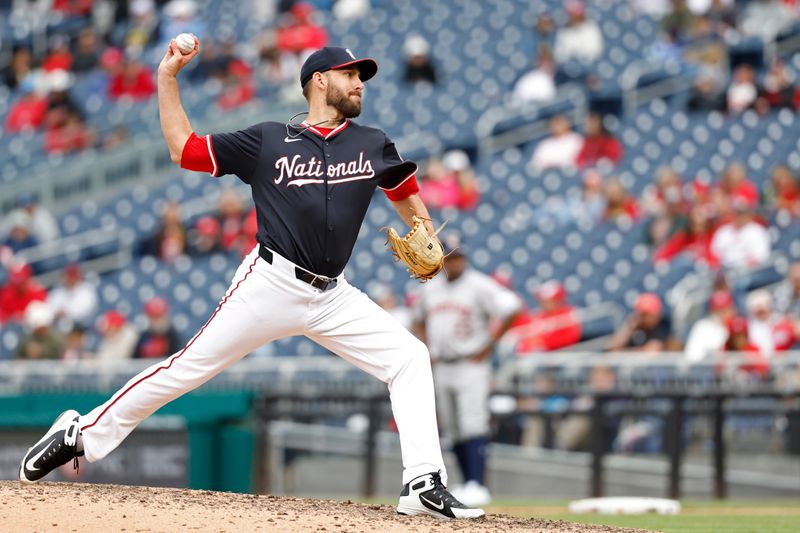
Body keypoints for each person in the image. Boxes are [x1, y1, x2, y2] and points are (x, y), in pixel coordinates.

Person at [19, 43, 485, 520]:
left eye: (361, 76)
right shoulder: (267, 140)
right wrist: (167, 78)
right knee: (185, 370)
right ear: (319, 80)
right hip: (270, 284)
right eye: (350, 74)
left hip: (333, 295)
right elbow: (185, 149)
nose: (360, 83)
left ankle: (423, 480)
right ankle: (81, 434)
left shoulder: (371, 142)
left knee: (408, 356)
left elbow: (402, 187)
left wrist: (423, 227)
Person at [413, 236, 523, 507]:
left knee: (473, 422)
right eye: (449, 257)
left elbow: (513, 308)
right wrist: (427, 348)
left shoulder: (479, 284)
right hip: (442, 364)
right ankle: (466, 482)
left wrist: (490, 346)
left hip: (470, 363)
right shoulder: (431, 288)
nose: (454, 261)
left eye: (458, 256)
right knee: (453, 427)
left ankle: (478, 483)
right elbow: (418, 319)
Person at [514, 281, 582, 353]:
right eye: (542, 300)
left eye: (548, 300)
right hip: (537, 355)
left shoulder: (567, 314)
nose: (544, 303)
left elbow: (570, 339)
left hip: (560, 353)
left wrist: (543, 343)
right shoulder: (539, 316)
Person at [607, 293, 674, 352]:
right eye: (643, 315)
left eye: (648, 315)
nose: (646, 318)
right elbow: (613, 348)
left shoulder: (663, 326)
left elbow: (652, 350)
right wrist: (629, 327)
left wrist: (625, 353)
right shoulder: (634, 327)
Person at [684, 290, 735, 362]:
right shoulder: (702, 326)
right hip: (706, 369)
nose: (722, 313)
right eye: (718, 310)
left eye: (725, 309)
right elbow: (691, 356)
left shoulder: (737, 326)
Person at [47, 263, 99, 329]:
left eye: (73, 275)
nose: (71, 279)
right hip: (59, 327)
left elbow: (85, 311)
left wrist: (66, 312)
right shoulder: (57, 291)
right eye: (69, 276)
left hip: (82, 327)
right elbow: (50, 309)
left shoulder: (87, 289)